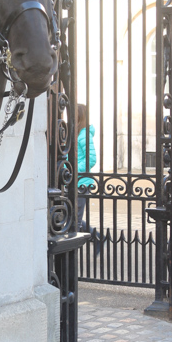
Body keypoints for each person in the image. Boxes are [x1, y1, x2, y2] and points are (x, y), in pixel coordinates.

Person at [76, 103, 98, 249]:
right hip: (74, 181)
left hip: (81, 183)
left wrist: (74, 169)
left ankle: (95, 239)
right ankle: (97, 237)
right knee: (72, 216)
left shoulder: (84, 134)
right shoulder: (78, 132)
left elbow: (92, 158)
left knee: (74, 219)